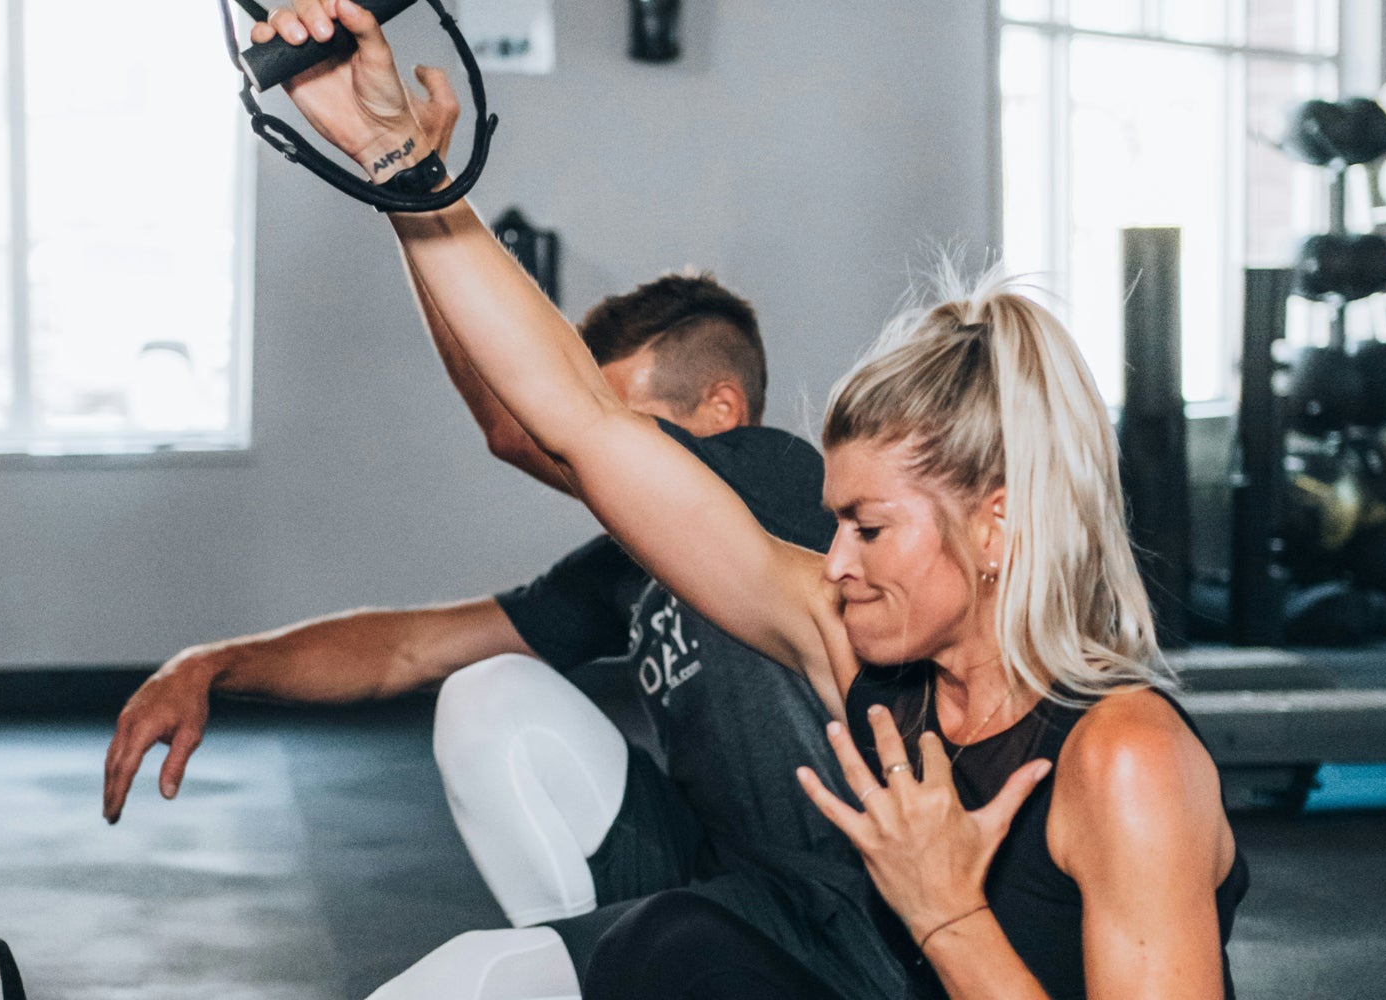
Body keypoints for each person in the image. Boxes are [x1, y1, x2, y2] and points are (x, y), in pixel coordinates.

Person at [249, 3, 1249, 997]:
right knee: (479, 981)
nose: (835, 557)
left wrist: (946, 912)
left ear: (995, 523)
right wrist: (395, 163)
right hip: (840, 965)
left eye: (867, 527)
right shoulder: (858, 644)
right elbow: (579, 424)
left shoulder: (1124, 761)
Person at [104, 270, 904, 995]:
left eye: (631, 426)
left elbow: (526, 431)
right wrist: (214, 664)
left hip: (841, 915)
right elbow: (406, 651)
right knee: (486, 693)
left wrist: (406, 188)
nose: (611, 465)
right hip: (717, 880)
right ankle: (616, 962)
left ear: (721, 410)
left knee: (472, 982)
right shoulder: (629, 566)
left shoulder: (776, 473)